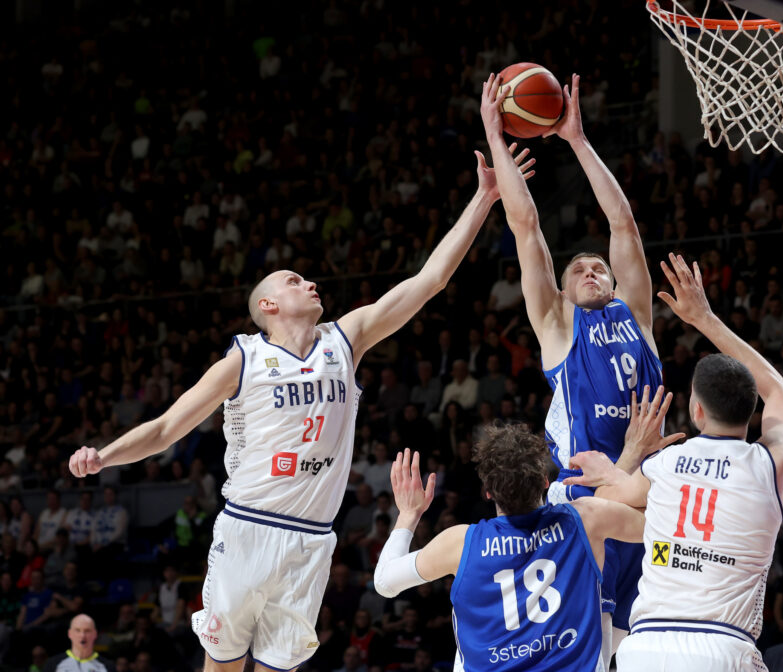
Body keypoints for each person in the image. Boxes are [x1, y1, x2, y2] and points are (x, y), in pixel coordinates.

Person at [67, 145, 533, 672]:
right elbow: (168, 426)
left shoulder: (346, 339)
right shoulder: (245, 358)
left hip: (312, 540)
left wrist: (484, 197)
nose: (310, 283)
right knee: (221, 665)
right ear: (268, 306)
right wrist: (104, 456)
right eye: (293, 280)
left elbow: (429, 283)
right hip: (248, 527)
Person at [480, 72, 663, 661]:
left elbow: (623, 224)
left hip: (648, 496)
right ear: (560, 291)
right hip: (585, 502)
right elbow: (526, 227)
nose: (591, 270)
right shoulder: (559, 328)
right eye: (578, 269)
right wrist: (493, 127)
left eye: (598, 268)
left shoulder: (637, 315)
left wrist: (577, 140)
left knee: (646, 649)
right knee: (592, 648)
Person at [567, 254, 783, 671]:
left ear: (695, 411)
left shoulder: (664, 465)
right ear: (752, 412)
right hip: (722, 646)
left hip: (646, 646)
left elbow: (600, 501)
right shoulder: (767, 465)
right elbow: (781, 394)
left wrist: (620, 466)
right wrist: (705, 319)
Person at [373, 414, 666, 672]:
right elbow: (663, 525)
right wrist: (622, 466)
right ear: (544, 481)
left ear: (487, 492)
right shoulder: (585, 519)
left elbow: (385, 582)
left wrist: (408, 516)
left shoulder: (460, 543)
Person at [40, 613, 114, 672]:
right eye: (77, 630)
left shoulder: (107, 666)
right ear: (69, 633)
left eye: (87, 631)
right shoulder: (53, 664)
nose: (82, 635)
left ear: (95, 634)